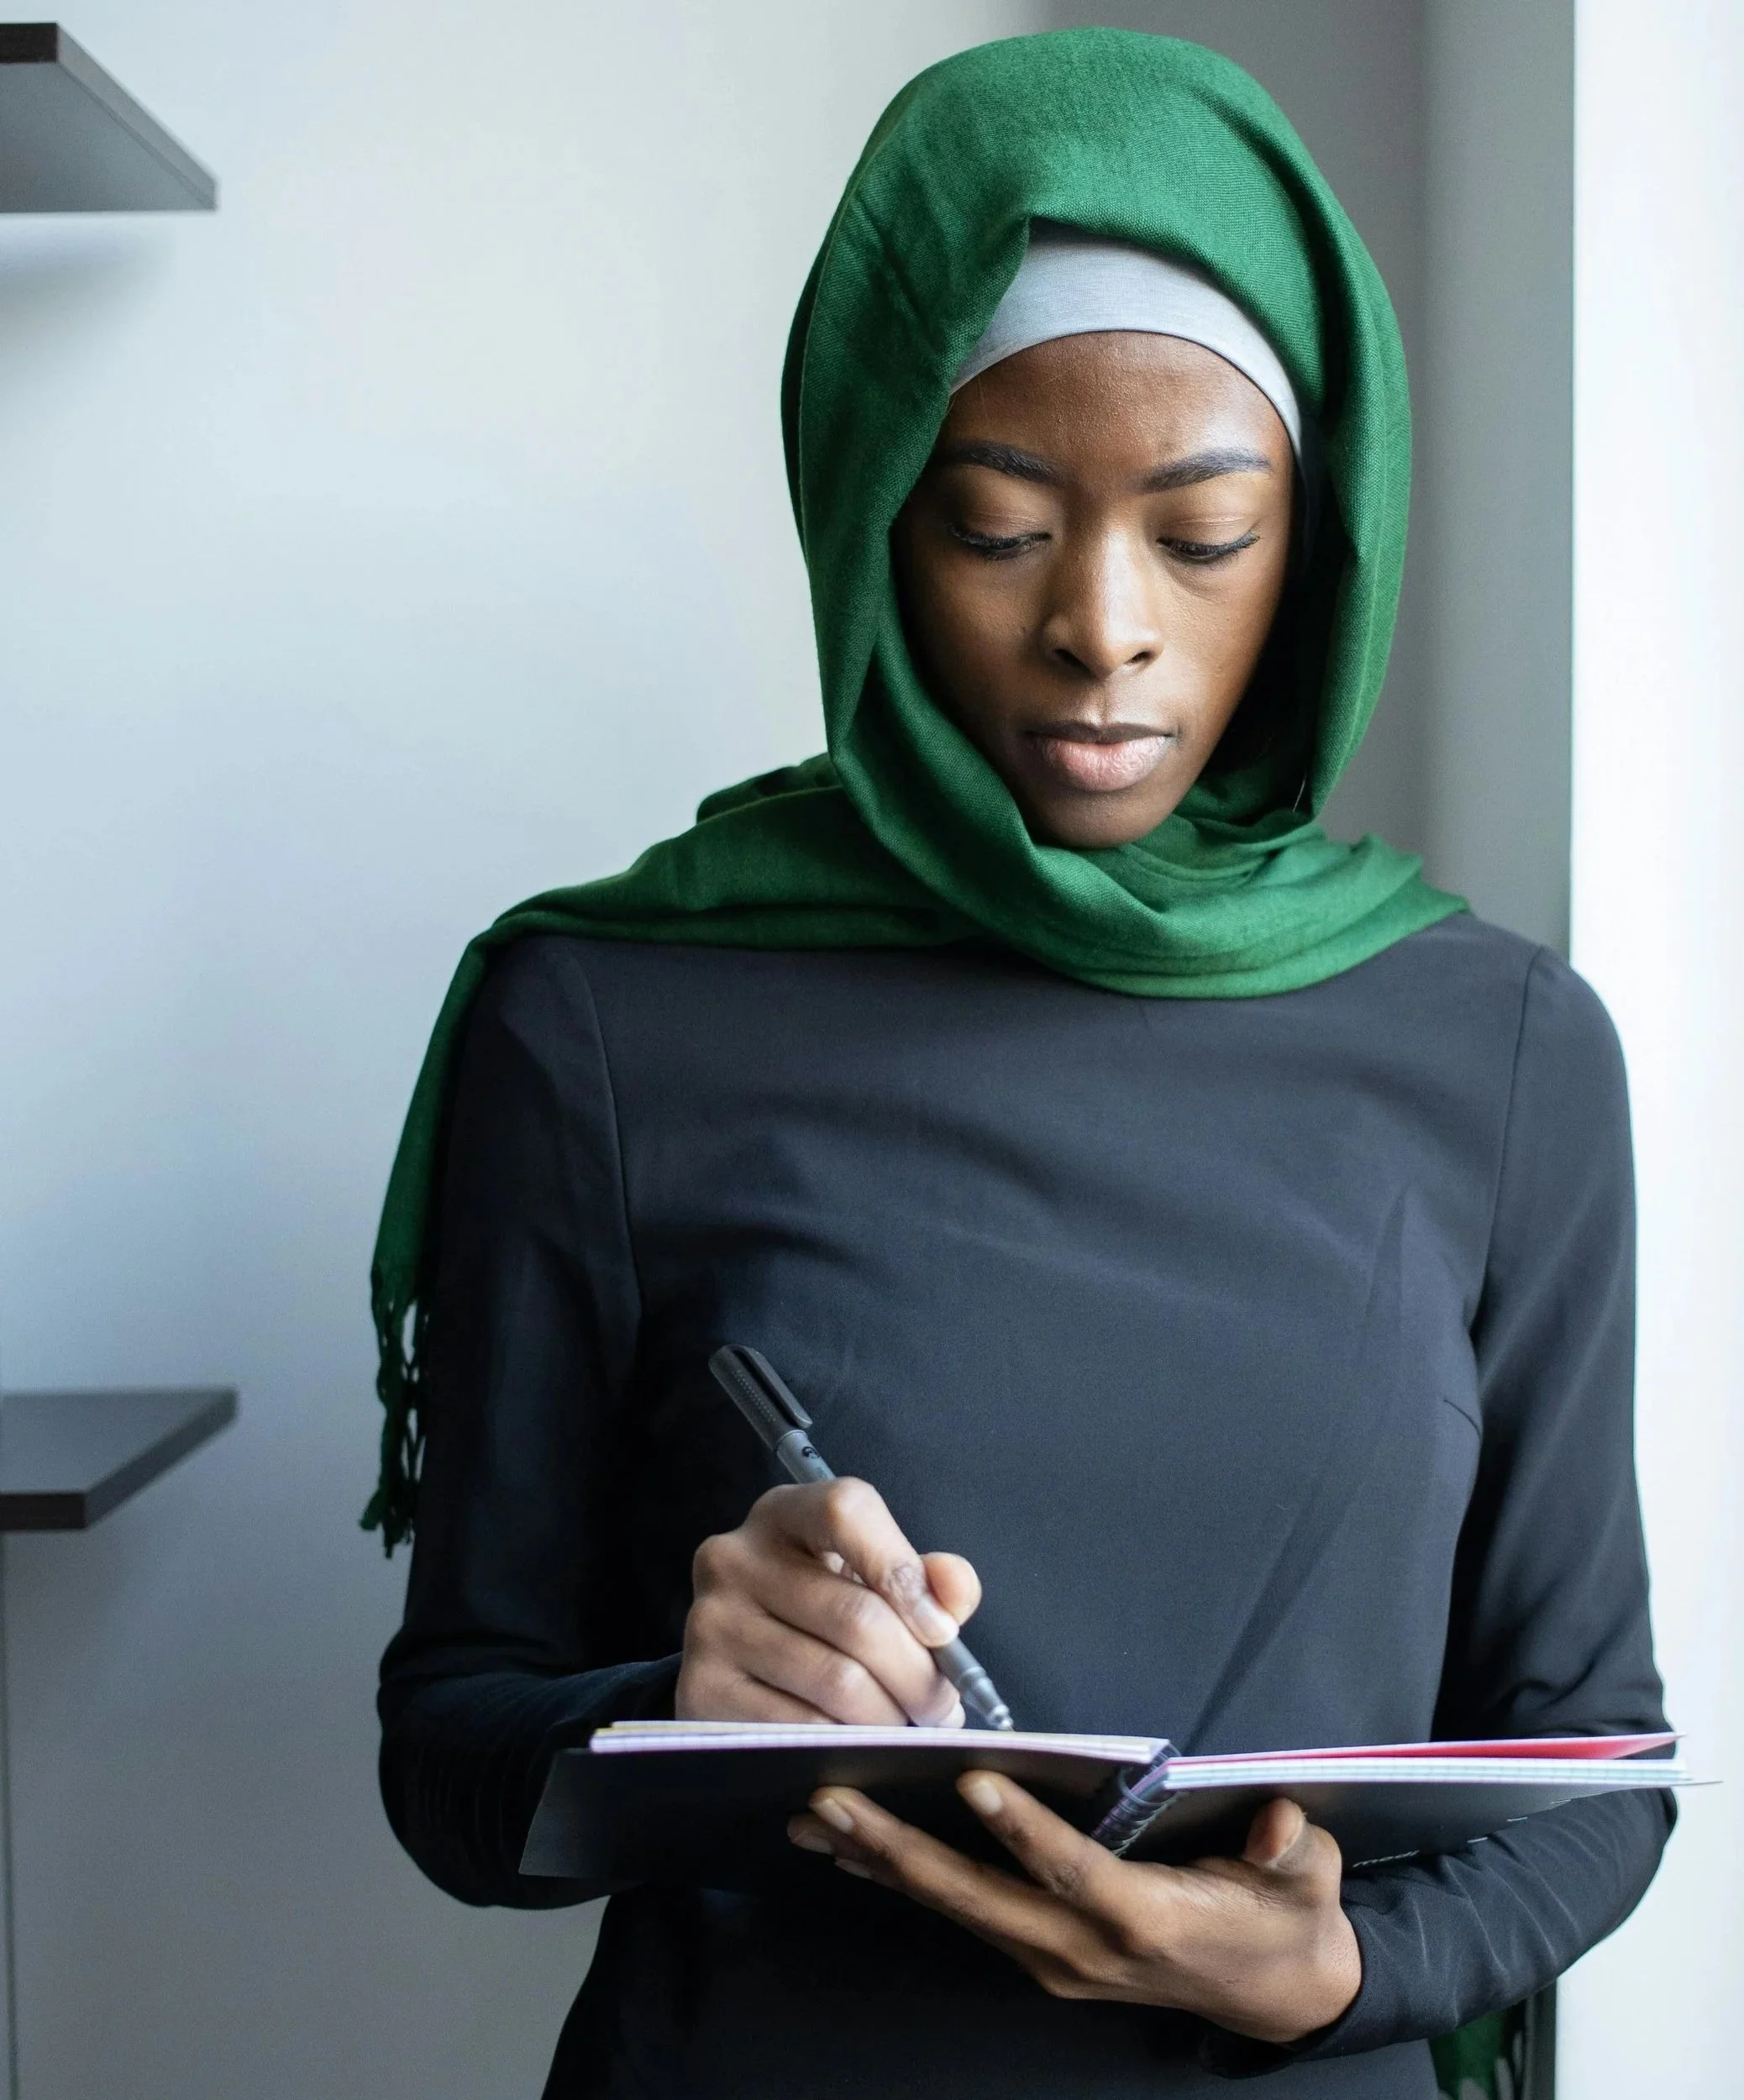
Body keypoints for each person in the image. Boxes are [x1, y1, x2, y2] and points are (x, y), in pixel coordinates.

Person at [373, 29, 1670, 2100]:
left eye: (1201, 532)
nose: (1100, 626)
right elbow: (453, 1748)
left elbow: (1595, 1761)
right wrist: (679, 1692)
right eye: (992, 528)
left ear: (1316, 546)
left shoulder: (1498, 1049)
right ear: (871, 516)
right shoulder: (607, 1012)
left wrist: (1329, 1972)